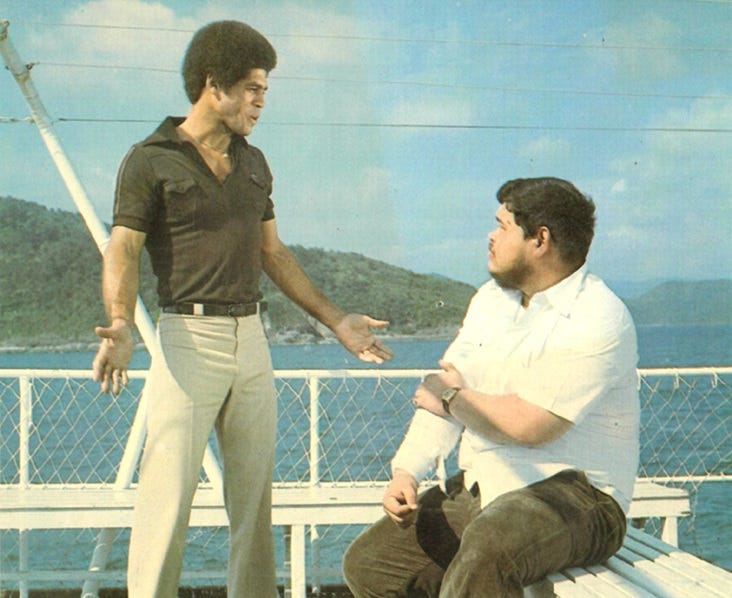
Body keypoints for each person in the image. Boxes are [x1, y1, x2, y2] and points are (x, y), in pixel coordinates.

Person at [91, 20, 392, 598]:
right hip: (187, 338)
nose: (260, 101)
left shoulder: (254, 163)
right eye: (252, 88)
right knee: (166, 499)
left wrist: (337, 321)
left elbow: (272, 253)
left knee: (254, 501)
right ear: (214, 85)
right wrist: (122, 322)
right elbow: (123, 248)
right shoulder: (150, 159)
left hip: (251, 338)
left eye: (264, 90)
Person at [343, 177, 639, 597]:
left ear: (540, 240)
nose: (490, 235)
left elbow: (531, 425)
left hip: (582, 498)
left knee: (489, 546)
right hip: (486, 486)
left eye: (502, 226)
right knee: (370, 564)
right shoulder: (491, 301)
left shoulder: (596, 314)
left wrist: (451, 398)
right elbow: (445, 393)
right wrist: (406, 472)